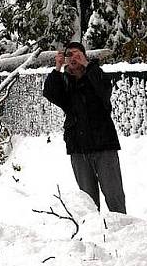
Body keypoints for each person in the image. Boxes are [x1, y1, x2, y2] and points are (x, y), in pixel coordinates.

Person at [42, 41, 126, 213]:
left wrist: (87, 65)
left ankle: (122, 234)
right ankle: (95, 235)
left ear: (85, 56)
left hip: (104, 147)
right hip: (78, 148)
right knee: (88, 202)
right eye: (69, 55)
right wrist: (57, 68)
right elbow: (50, 92)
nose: (73, 58)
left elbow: (105, 88)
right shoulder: (65, 83)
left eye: (77, 54)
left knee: (114, 195)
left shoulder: (95, 76)